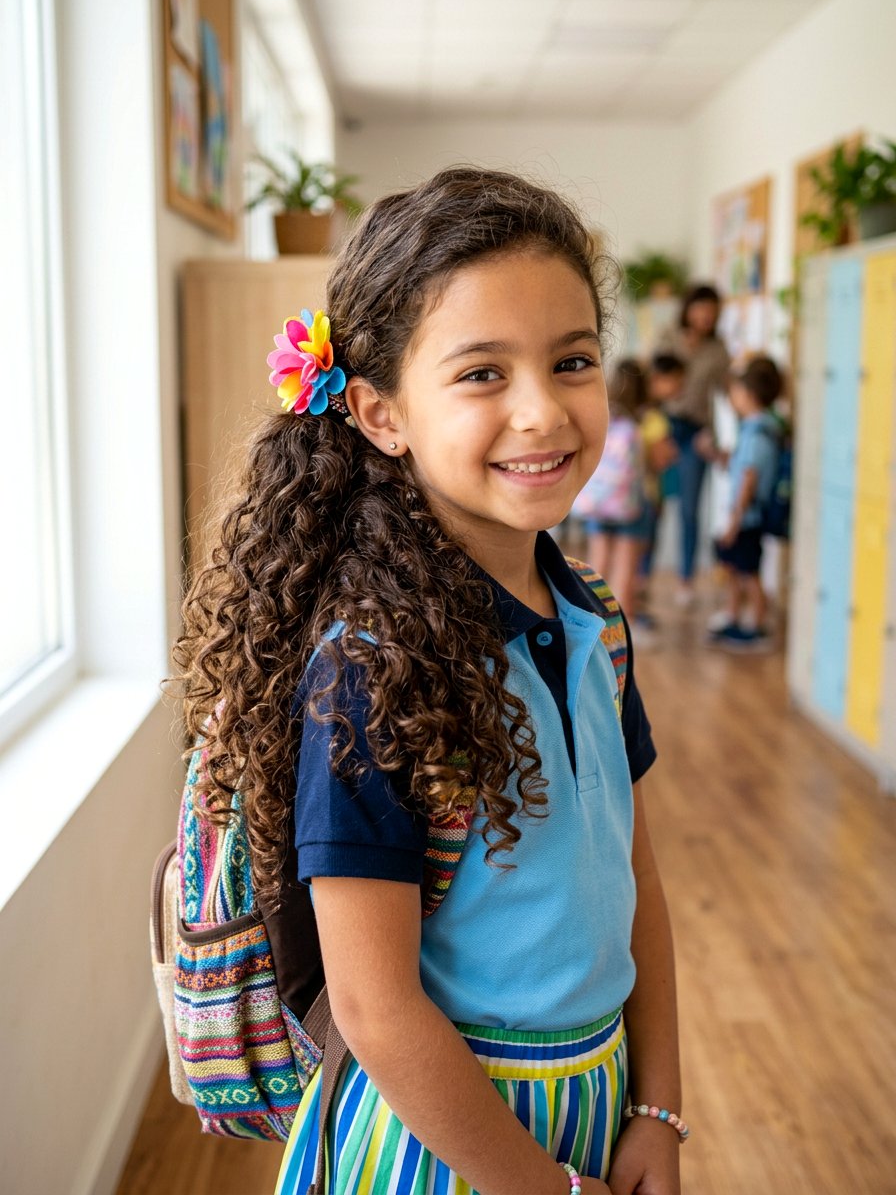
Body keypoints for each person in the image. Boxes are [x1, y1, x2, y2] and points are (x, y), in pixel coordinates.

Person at [172, 168, 683, 1195]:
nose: (541, 411)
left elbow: (634, 882)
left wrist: (657, 1110)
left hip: (599, 1090)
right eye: (481, 373)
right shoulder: (371, 672)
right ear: (378, 413)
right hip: (444, 1133)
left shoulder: (594, 619)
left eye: (571, 359)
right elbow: (374, 1007)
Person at [659, 285, 730, 605]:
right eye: (701, 307)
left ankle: (686, 580)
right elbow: (653, 380)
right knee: (654, 503)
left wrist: (718, 440)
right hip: (662, 427)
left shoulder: (718, 350)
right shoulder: (668, 337)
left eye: (712, 310)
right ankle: (642, 577)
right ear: (688, 308)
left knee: (689, 510)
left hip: (696, 434)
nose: (706, 315)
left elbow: (728, 396)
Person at [707, 355, 783, 651]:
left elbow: (749, 479)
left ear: (749, 394)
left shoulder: (757, 432)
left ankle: (759, 626)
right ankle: (733, 616)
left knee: (749, 572)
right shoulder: (757, 428)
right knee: (737, 569)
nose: (732, 398)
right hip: (745, 516)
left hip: (747, 518)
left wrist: (734, 521)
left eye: (736, 392)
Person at [572, 358, 649, 617]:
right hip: (629, 505)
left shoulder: (602, 418)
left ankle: (594, 624)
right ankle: (622, 631)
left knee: (597, 567)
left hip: (597, 502)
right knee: (625, 569)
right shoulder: (643, 424)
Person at [635, 354, 683, 628]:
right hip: (646, 496)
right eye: (675, 381)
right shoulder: (654, 418)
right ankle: (636, 609)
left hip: (621, 499)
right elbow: (663, 457)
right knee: (642, 554)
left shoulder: (629, 413)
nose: (679, 388)